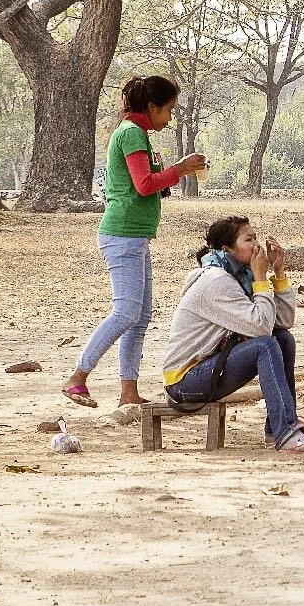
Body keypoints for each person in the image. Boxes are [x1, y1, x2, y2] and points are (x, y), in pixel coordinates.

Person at [64, 75, 207, 409]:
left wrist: (173, 174)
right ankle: (77, 377)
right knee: (126, 311)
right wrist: (181, 169)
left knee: (140, 316)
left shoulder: (139, 134)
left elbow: (148, 182)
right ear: (152, 106)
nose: (169, 118)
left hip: (136, 236)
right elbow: (143, 184)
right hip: (123, 233)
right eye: (168, 110)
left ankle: (128, 392)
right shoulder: (130, 134)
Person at [164, 215, 304, 454]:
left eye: (256, 238)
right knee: (265, 345)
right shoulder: (216, 281)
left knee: (282, 340)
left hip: (211, 367)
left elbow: (282, 322)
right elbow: (261, 327)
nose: (256, 246)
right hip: (184, 381)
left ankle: (276, 430)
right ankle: (287, 431)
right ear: (227, 249)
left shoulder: (239, 276)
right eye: (248, 240)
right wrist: (261, 279)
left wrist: (278, 273)